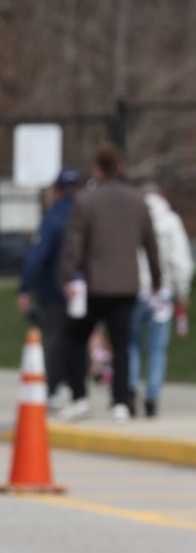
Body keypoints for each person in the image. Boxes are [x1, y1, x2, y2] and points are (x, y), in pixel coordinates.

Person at [59, 142, 161, 421]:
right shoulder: (138, 201)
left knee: (76, 338)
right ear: (121, 167)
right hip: (126, 284)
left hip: (95, 283)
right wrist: (156, 279)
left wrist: (68, 276)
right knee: (122, 343)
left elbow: (74, 245)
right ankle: (120, 401)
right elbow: (151, 245)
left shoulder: (86, 201)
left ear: (96, 169)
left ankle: (80, 397)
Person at [17, 168, 81, 409]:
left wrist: (25, 287)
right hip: (82, 289)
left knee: (54, 339)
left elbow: (38, 256)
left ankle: (54, 387)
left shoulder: (52, 218)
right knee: (77, 340)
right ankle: (76, 389)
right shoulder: (85, 215)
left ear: (57, 191)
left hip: (53, 289)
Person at [128, 184, 192, 418]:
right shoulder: (171, 221)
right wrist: (182, 291)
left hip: (134, 290)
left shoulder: (132, 218)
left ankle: (130, 389)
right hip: (162, 293)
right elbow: (180, 260)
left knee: (131, 345)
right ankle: (152, 397)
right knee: (157, 349)